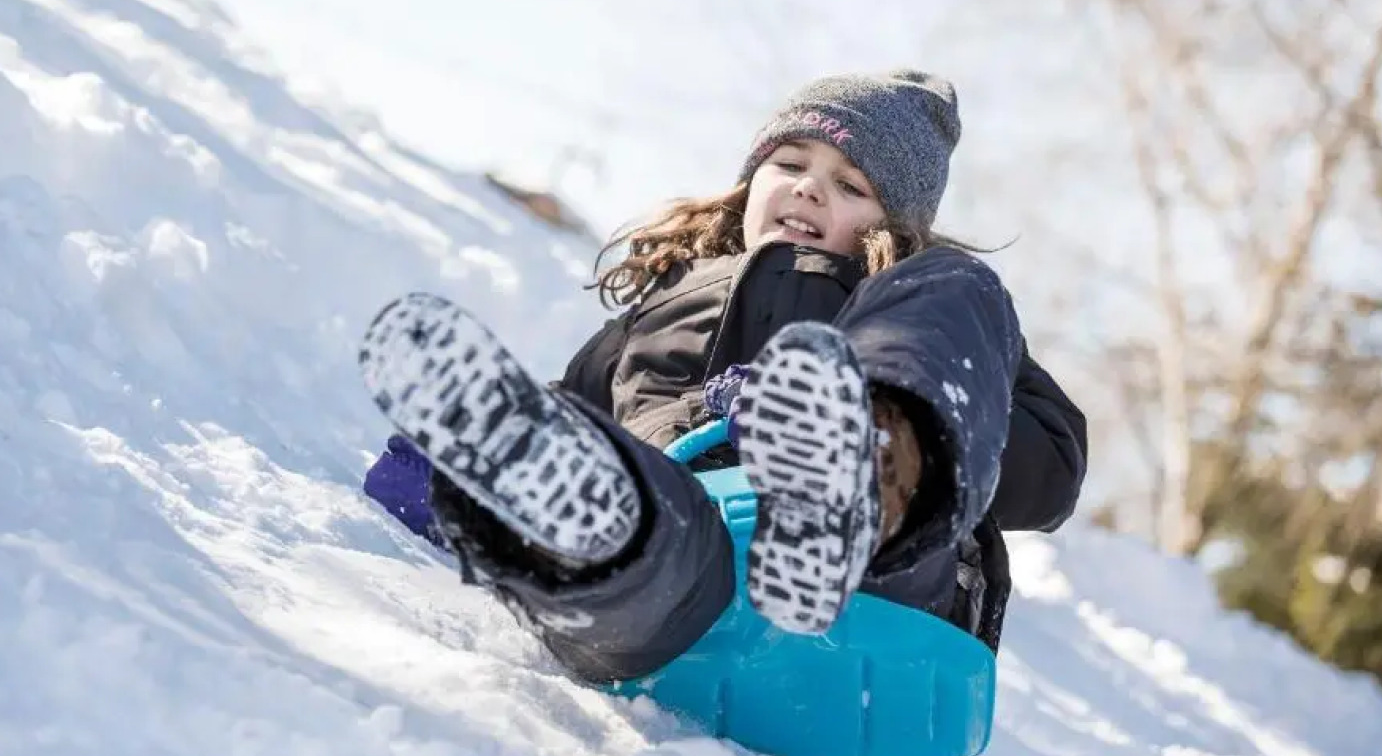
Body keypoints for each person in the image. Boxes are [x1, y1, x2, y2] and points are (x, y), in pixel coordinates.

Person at [357, 70, 1087, 685]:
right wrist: (459, 470)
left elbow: (1050, 468)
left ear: (893, 225)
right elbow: (573, 413)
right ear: (749, 181)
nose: (808, 189)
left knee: (960, 286)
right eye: (790, 164)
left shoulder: (922, 303)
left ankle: (864, 472)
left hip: (871, 588)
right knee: (640, 522)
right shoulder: (677, 295)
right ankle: (600, 549)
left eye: (850, 185)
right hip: (686, 572)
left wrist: (899, 414)